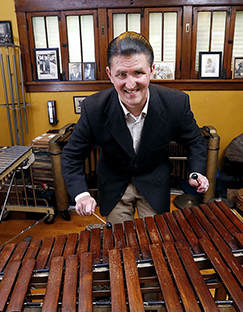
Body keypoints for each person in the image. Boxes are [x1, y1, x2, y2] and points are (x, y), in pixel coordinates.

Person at [61, 32, 209, 224]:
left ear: (152, 70)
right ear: (109, 74)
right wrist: (81, 194)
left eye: (138, 73)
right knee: (119, 243)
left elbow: (195, 141)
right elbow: (71, 156)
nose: (130, 85)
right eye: (122, 74)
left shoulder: (176, 103)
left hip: (154, 182)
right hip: (114, 184)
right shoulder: (93, 108)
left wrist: (195, 172)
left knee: (155, 239)